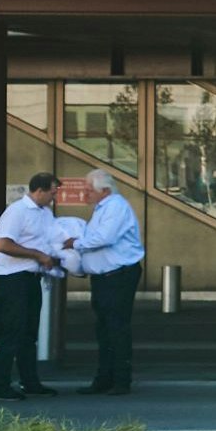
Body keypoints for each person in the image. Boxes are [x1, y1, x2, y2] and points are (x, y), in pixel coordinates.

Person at [0, 172, 63, 401]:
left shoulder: (46, 214)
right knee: (12, 331)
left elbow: (50, 240)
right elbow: (3, 244)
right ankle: (0, 385)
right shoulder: (17, 211)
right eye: (52, 192)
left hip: (32, 278)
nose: (54, 197)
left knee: (29, 333)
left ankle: (30, 382)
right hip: (12, 278)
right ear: (39, 191)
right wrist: (37, 255)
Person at [71, 167, 145, 396]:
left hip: (118, 276)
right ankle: (104, 378)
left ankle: (121, 380)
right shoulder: (102, 208)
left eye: (88, 189)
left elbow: (104, 238)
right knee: (104, 330)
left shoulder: (115, 206)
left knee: (116, 328)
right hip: (105, 277)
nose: (85, 194)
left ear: (103, 190)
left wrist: (74, 244)